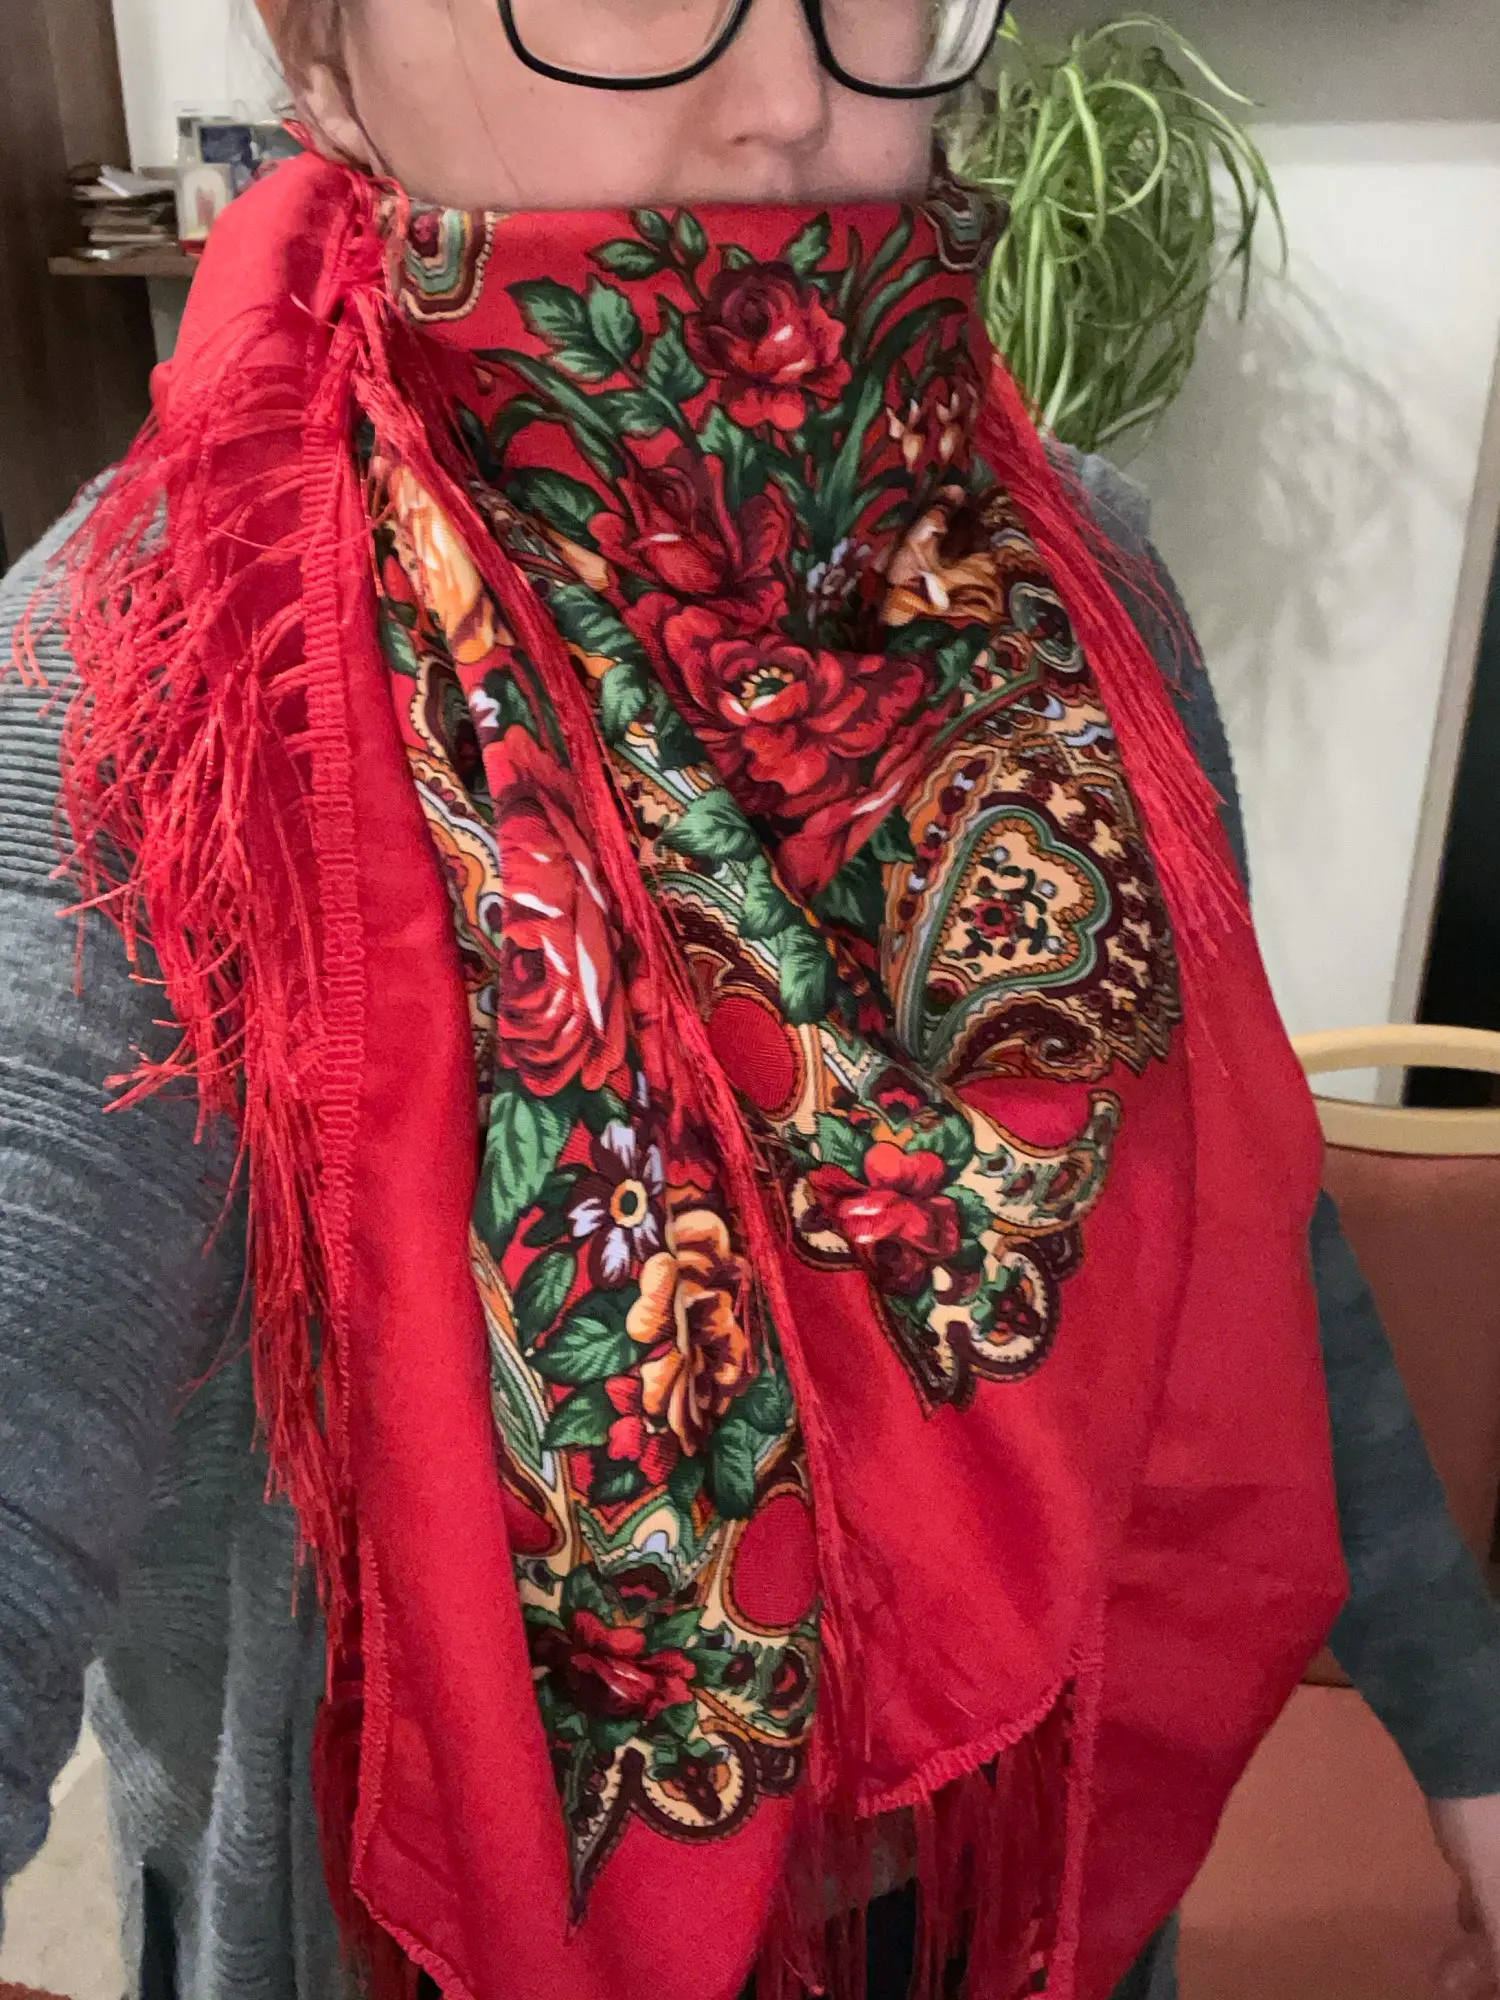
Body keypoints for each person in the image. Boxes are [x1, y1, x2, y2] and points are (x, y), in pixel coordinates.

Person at [2, 3, 1500, 1998]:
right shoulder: (150, 695)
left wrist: (1470, 1730)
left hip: (1011, 1911)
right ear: (322, 59)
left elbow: (1243, 1216)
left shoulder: (1079, 602)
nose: (792, 102)